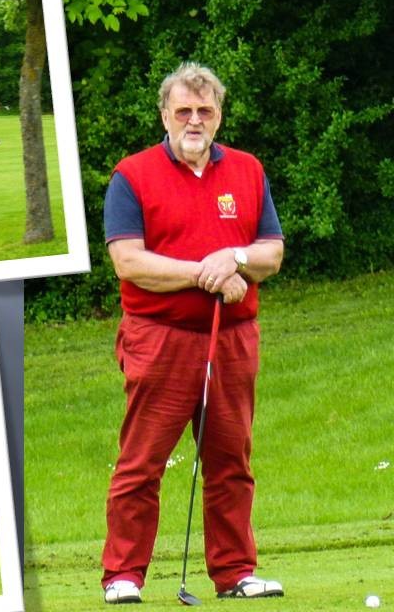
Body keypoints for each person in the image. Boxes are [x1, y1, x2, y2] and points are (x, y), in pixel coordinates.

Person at [100, 62, 285, 604]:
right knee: (141, 463)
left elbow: (271, 253)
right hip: (159, 339)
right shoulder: (131, 176)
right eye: (184, 110)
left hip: (233, 340)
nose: (194, 120)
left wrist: (235, 258)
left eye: (205, 110)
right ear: (165, 115)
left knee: (231, 463)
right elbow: (128, 262)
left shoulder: (248, 170)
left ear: (219, 115)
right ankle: (123, 575)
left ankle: (235, 573)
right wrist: (210, 273)